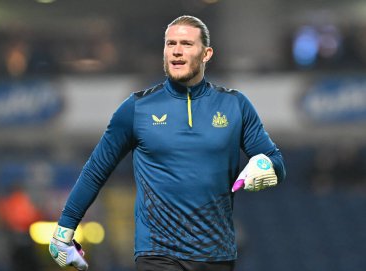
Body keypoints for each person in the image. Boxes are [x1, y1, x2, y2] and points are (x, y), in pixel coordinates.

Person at [49, 15, 286, 271]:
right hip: (158, 255)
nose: (176, 51)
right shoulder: (137, 108)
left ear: (206, 54)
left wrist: (266, 165)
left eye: (186, 43)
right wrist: (64, 230)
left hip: (217, 256)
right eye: (170, 43)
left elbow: (275, 162)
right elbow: (96, 170)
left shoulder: (235, 106)